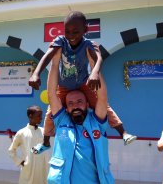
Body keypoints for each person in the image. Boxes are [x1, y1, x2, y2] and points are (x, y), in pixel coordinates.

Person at [30, 11, 136, 154]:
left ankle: (123, 132)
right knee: (50, 113)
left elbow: (98, 58)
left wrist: (94, 73)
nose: (71, 36)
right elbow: (47, 56)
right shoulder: (60, 41)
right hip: (64, 86)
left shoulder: (88, 44)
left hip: (84, 83)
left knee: (103, 104)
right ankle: (45, 142)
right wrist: (36, 73)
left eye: (76, 32)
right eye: (67, 31)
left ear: (85, 30)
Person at [46, 49, 114, 183]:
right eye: (70, 103)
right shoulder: (61, 120)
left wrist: (93, 63)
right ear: (66, 107)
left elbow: (102, 97)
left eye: (79, 101)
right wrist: (55, 62)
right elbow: (51, 94)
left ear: (87, 104)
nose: (75, 106)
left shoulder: (97, 122)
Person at [8, 105, 49, 184]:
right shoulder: (22, 133)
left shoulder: (43, 131)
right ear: (31, 116)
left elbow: (46, 147)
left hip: (42, 168)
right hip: (28, 168)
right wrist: (21, 162)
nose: (41, 118)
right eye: (39, 115)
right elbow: (11, 150)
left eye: (41, 115)